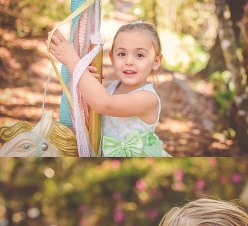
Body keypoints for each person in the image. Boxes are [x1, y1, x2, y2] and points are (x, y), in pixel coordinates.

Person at [49, 21, 170, 157]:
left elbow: (105, 104)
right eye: (122, 54)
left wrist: (74, 62)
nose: (129, 61)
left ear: (156, 62)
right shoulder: (108, 87)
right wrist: (80, 78)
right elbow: (75, 99)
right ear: (112, 58)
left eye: (140, 55)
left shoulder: (148, 99)